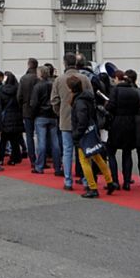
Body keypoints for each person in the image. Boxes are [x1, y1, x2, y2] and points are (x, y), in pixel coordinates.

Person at [67, 74, 116, 198]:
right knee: (97, 157)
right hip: (91, 130)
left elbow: (82, 121)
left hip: (83, 134)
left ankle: (92, 187)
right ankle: (110, 181)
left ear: (71, 89)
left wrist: (76, 134)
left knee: (84, 161)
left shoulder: (79, 102)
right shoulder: (88, 98)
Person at [109, 70, 140, 190]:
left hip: (117, 122)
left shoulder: (115, 90)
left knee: (111, 152)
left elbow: (111, 106)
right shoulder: (134, 91)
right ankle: (126, 182)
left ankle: (115, 180)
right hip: (130, 123)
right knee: (127, 153)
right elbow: (138, 106)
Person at [52, 53, 82, 191]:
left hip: (65, 119)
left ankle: (68, 180)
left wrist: (60, 113)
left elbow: (54, 100)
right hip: (82, 119)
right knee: (82, 150)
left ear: (65, 63)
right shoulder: (84, 78)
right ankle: (85, 179)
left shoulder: (59, 80)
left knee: (67, 150)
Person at [31, 65, 62, 176]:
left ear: (40, 74)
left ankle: (39, 166)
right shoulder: (53, 84)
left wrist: (33, 114)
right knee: (55, 143)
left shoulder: (37, 86)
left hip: (41, 116)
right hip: (52, 115)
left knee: (41, 142)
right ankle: (58, 167)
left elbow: (34, 103)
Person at [0, 72, 27, 165]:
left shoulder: (2, 90)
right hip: (16, 116)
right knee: (15, 139)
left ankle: (0, 158)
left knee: (3, 139)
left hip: (6, 116)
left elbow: (0, 104)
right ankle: (15, 158)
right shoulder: (17, 89)